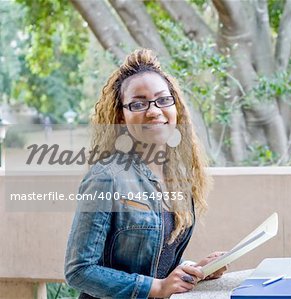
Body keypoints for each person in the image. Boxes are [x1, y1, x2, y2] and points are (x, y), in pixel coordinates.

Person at [64, 49, 227, 298]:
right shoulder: (108, 177)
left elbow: (158, 260)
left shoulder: (177, 176)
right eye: (138, 104)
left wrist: (193, 270)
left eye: (163, 100)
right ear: (121, 116)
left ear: (176, 107)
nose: (153, 111)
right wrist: (157, 288)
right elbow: (79, 270)